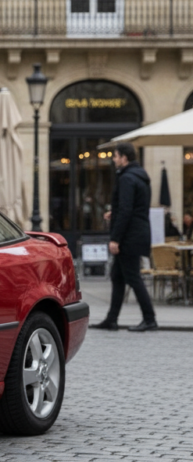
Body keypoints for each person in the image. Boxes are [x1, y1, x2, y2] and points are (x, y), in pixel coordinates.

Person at [94, 142, 156, 332]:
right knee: (118, 277)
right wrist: (115, 211)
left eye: (115, 156)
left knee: (133, 278)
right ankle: (111, 319)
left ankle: (150, 319)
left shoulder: (128, 178)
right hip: (136, 232)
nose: (113, 159)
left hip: (129, 236)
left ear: (124, 158)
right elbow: (133, 206)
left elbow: (128, 209)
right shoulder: (139, 176)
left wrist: (115, 238)